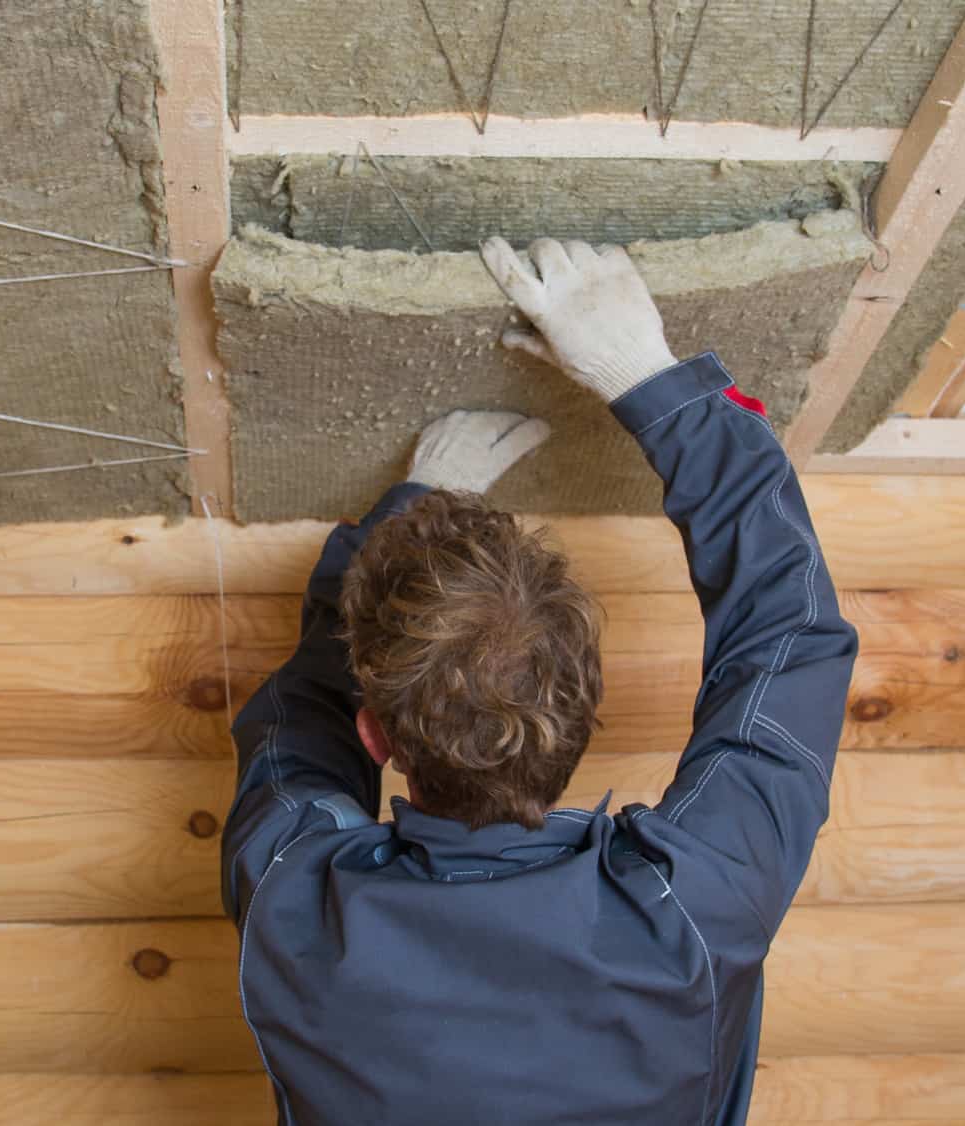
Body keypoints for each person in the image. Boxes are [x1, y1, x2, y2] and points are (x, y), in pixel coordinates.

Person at [222, 236, 859, 1125]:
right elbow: (786, 635)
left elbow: (303, 723)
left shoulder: (295, 893)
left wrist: (412, 508)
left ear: (379, 739)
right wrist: (643, 375)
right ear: (582, 712)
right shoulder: (690, 912)